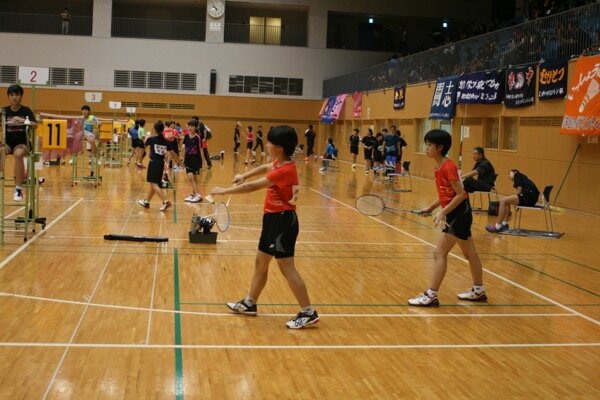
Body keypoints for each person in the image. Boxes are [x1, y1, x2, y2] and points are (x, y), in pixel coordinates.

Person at [210, 125, 319, 329]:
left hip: (283, 222)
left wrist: (223, 191)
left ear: (278, 147)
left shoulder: (285, 170)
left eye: (269, 142)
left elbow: (251, 188)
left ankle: (308, 312)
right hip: (272, 219)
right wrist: (245, 174)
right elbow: (266, 167)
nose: (266, 145)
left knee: (287, 268)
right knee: (261, 262)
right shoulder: (281, 162)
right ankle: (250, 303)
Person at [408, 129, 486, 307]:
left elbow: (460, 194)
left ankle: (431, 295)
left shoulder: (448, 166)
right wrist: (431, 207)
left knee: (440, 253)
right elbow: (446, 194)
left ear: (440, 147)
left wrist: (443, 212)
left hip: (459, 214)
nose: (426, 148)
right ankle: (478, 290)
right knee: (470, 253)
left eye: (429, 145)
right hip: (458, 213)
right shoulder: (438, 166)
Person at [3, 84, 36, 201]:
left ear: (21, 97)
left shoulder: (26, 110)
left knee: (18, 154)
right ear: (8, 97)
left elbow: (34, 124)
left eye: (17, 95)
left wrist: (22, 120)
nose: (14, 97)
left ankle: (18, 189)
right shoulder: (4, 111)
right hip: (7, 143)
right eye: (11, 95)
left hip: (22, 143)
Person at [137, 121, 171, 212]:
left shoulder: (152, 139)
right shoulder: (165, 141)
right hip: (161, 163)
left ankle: (165, 201)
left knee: (154, 184)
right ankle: (147, 202)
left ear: (155, 129)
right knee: (153, 184)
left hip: (154, 163)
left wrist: (148, 136)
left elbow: (143, 145)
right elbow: (170, 152)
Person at [182, 119, 203, 203]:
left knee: (192, 177)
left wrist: (202, 162)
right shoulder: (186, 136)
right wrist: (183, 159)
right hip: (188, 158)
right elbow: (184, 146)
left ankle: (197, 195)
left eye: (192, 126)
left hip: (195, 159)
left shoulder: (197, 137)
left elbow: (200, 149)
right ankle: (194, 194)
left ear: (195, 127)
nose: (190, 127)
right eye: (189, 126)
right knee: (193, 178)